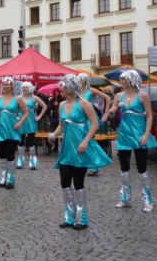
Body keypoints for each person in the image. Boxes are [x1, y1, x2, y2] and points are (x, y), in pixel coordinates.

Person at [49, 74, 112, 229]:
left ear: (70, 87)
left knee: (78, 183)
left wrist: (85, 142)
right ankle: (69, 217)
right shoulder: (62, 105)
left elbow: (95, 124)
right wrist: (54, 134)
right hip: (66, 150)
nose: (60, 89)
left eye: (62, 86)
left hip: (80, 149)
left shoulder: (84, 103)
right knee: (64, 182)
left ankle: (81, 218)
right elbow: (62, 125)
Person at [109, 70, 157, 212]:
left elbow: (149, 116)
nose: (121, 82)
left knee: (142, 168)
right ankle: (125, 198)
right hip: (124, 135)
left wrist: (146, 134)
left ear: (130, 80)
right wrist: (111, 110)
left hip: (139, 135)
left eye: (123, 80)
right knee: (124, 169)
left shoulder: (142, 95)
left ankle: (148, 200)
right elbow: (114, 106)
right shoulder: (118, 95)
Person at [0, 76, 29, 189]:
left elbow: (26, 113)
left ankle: (10, 178)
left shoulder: (18, 99)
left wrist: (20, 123)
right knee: (2, 155)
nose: (4, 86)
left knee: (10, 154)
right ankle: (3, 177)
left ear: (12, 86)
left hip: (12, 131)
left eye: (7, 84)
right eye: (3, 84)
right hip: (0, 131)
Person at [78, 73, 112, 176]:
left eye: (80, 79)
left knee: (88, 141)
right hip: (80, 119)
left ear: (84, 81)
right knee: (82, 141)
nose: (78, 81)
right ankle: (87, 163)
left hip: (90, 119)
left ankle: (94, 166)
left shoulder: (91, 90)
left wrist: (106, 114)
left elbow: (108, 98)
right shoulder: (77, 92)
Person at [17, 82, 48, 170]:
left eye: (26, 87)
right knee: (20, 141)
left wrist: (39, 116)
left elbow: (45, 106)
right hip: (21, 121)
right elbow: (15, 108)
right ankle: (20, 161)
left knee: (31, 142)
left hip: (31, 122)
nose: (24, 89)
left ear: (30, 88)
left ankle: (33, 162)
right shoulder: (19, 98)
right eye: (23, 87)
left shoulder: (34, 98)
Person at [46, 88, 63, 155]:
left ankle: (61, 147)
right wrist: (53, 105)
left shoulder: (62, 99)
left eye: (57, 92)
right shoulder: (52, 99)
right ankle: (52, 147)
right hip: (53, 117)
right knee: (53, 132)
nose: (56, 93)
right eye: (55, 92)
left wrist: (58, 104)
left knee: (61, 133)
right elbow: (49, 107)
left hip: (60, 117)